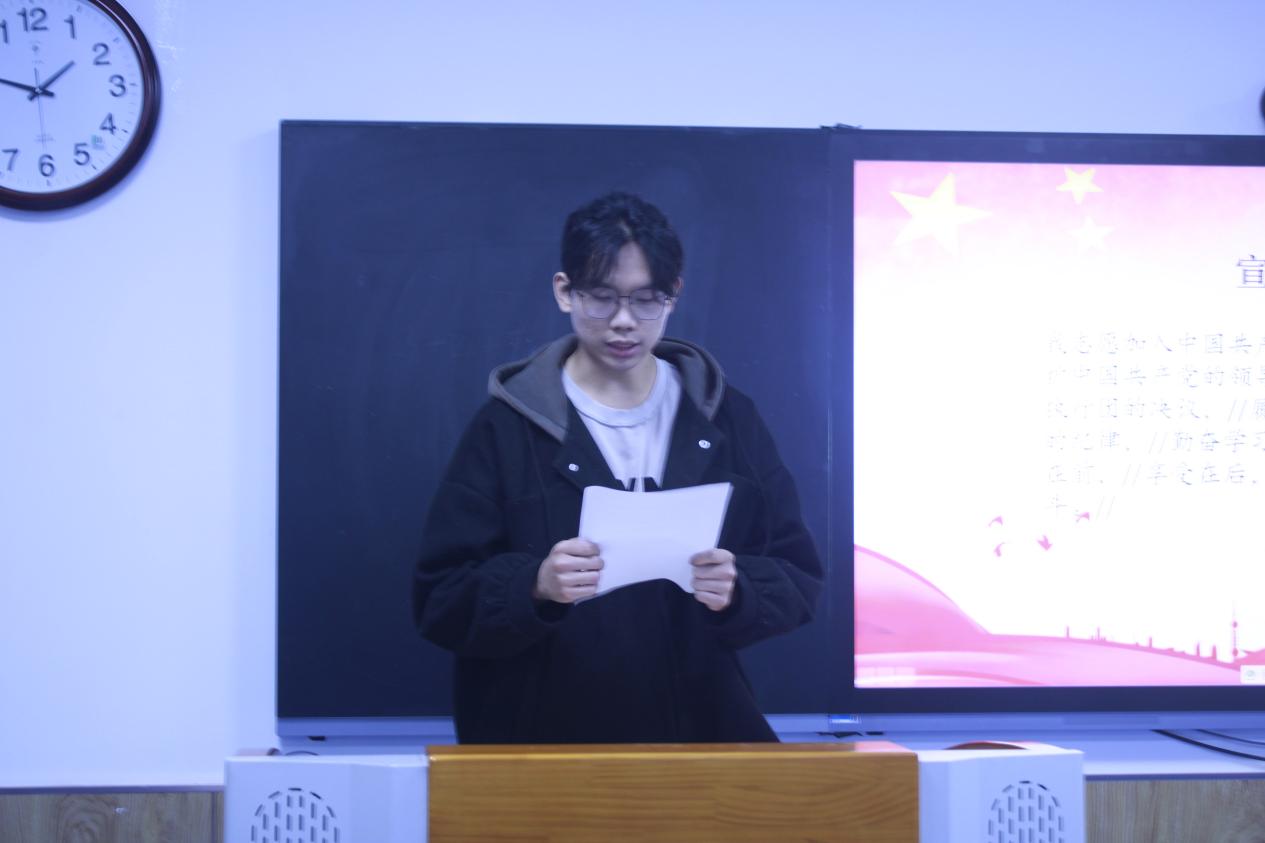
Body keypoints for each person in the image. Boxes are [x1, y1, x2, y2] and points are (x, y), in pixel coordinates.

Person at [412, 192, 821, 743]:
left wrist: (738, 587)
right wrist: (534, 585)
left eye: (646, 300)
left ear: (673, 296)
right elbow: (440, 599)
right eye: (602, 298)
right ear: (565, 292)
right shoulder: (507, 427)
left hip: (699, 741)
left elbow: (797, 575)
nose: (624, 322)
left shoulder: (725, 417)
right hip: (543, 752)